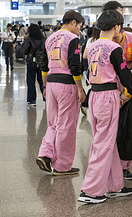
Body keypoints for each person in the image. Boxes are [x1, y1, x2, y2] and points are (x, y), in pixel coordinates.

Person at [78, 10, 132, 204]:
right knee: (103, 143)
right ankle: (90, 190)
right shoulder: (114, 48)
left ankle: (114, 185)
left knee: (107, 140)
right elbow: (125, 75)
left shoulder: (91, 46)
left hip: (95, 95)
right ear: (116, 27)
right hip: (108, 96)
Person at [36, 10, 86, 176]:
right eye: (79, 26)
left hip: (51, 84)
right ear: (73, 22)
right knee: (66, 125)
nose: (79, 30)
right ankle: (62, 166)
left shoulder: (49, 38)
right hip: (67, 85)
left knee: (53, 122)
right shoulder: (73, 39)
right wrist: (80, 88)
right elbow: (74, 66)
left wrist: (44, 87)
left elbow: (43, 65)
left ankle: (45, 153)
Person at [102, 0, 132, 179]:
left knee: (128, 127)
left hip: (130, 90)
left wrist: (130, 94)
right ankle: (111, 166)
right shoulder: (103, 42)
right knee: (111, 130)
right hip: (109, 93)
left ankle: (125, 166)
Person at [22, 24, 45, 107]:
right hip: (42, 62)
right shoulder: (43, 39)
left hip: (31, 62)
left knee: (31, 81)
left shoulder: (29, 39)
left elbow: (24, 50)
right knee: (42, 81)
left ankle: (32, 100)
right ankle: (46, 98)